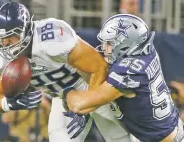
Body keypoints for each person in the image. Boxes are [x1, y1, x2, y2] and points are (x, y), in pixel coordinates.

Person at [0, 2, 132, 142]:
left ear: (25, 30)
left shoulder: (51, 37)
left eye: (9, 37)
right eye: (0, 39)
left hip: (93, 86)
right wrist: (8, 104)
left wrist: (85, 104)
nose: (5, 44)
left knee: (121, 138)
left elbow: (98, 67)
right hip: (64, 96)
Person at [62, 14, 184, 142]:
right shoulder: (147, 50)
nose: (104, 47)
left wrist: (66, 91)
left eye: (109, 43)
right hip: (171, 130)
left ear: (126, 44)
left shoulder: (127, 72)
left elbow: (79, 105)